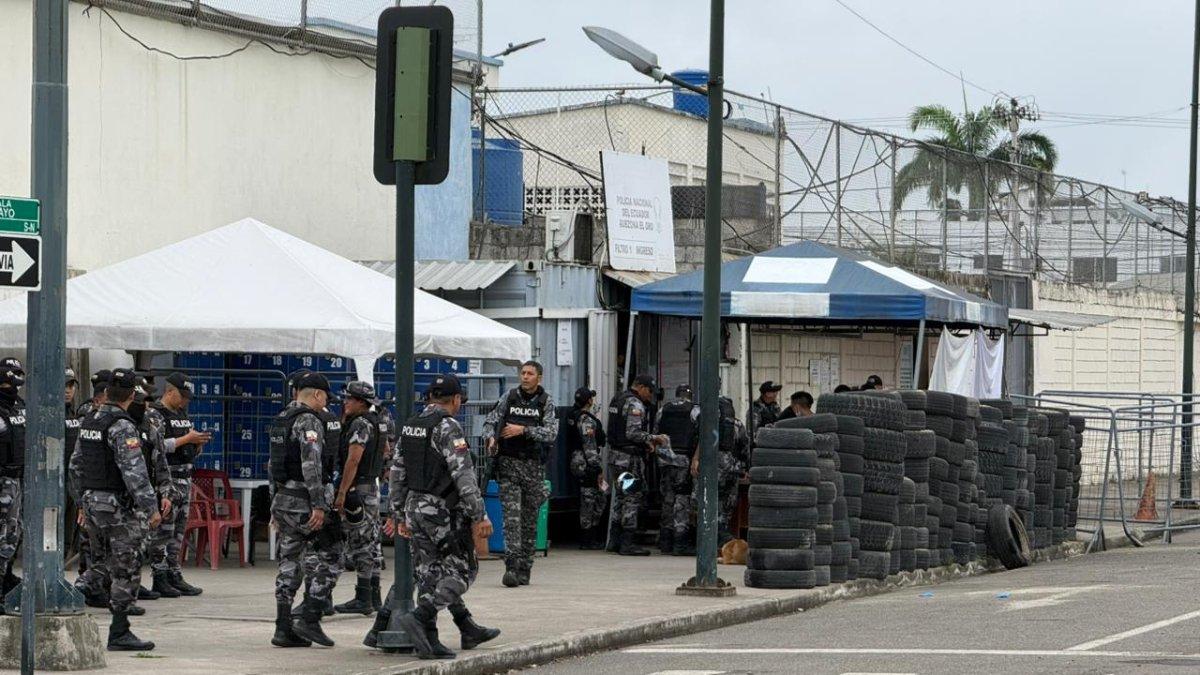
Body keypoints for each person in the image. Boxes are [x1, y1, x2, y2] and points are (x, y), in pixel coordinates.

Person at [380, 374, 499, 660]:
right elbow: (463, 474)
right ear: (455, 400)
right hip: (442, 510)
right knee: (462, 571)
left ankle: (430, 640)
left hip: (414, 507)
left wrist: (397, 513)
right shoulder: (448, 427)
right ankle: (421, 616)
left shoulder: (412, 426)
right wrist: (479, 514)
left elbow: (397, 473)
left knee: (428, 571)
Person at [69, 368, 163, 651]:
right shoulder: (122, 426)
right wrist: (151, 508)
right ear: (132, 395)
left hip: (92, 504)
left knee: (104, 560)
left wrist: (82, 501)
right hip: (116, 506)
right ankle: (119, 629)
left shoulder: (90, 420)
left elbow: (75, 465)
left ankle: (83, 587)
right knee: (126, 564)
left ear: (107, 391)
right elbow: (134, 472)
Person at [268, 372, 341, 648]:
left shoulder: (282, 419)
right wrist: (319, 504)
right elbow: (311, 464)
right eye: (325, 399)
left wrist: (274, 506)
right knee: (333, 554)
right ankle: (309, 616)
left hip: (284, 499)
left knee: (288, 561)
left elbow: (273, 465)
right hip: (304, 501)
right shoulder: (309, 420)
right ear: (318, 395)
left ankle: (283, 627)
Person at [482, 360, 556, 588]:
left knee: (529, 521)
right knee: (512, 520)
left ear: (539, 378)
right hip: (508, 465)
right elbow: (490, 422)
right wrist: (491, 437)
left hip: (533, 468)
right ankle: (511, 567)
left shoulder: (546, 402)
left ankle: (525, 568)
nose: (525, 377)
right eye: (522, 373)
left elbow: (551, 433)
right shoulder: (509, 398)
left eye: (530, 373)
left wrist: (523, 430)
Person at [148, 372, 210, 597]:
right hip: (168, 479)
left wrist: (196, 445)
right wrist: (186, 440)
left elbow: (183, 440)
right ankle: (160, 576)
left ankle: (174, 572)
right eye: (181, 396)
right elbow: (156, 446)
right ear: (169, 391)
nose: (185, 401)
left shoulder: (182, 413)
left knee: (178, 531)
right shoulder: (155, 414)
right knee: (163, 530)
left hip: (185, 475)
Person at [332, 381, 385, 616]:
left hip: (359, 489)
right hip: (371, 487)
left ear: (361, 403)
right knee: (372, 541)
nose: (345, 403)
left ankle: (364, 597)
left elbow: (353, 459)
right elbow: (386, 453)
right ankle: (374, 597)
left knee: (361, 542)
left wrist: (342, 492)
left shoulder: (360, 425)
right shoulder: (378, 422)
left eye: (349, 399)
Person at [606, 374, 668, 556]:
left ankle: (614, 541)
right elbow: (633, 433)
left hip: (616, 457)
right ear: (640, 387)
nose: (650, 395)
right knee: (632, 498)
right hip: (629, 460)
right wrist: (653, 438)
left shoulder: (618, 399)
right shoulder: (635, 404)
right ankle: (627, 542)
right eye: (649, 391)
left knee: (620, 497)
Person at [130, 379, 179, 602]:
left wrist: (165, 493)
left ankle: (137, 585)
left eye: (148, 401)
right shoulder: (120, 426)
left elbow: (160, 462)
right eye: (141, 401)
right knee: (127, 547)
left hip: (147, 494)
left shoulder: (148, 427)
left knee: (141, 544)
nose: (145, 406)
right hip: (125, 497)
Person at [690, 396, 749, 546]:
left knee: (705, 500)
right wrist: (744, 468)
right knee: (727, 502)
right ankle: (721, 535)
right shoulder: (737, 425)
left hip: (709, 466)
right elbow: (745, 448)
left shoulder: (708, 424)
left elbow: (700, 442)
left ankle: (706, 536)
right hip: (731, 467)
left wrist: (695, 460)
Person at [654, 384, 699, 555]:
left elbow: (656, 433)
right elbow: (701, 434)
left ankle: (665, 541)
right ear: (690, 395)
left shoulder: (663, 409)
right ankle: (680, 544)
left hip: (665, 460)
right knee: (682, 500)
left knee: (667, 499)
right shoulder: (694, 410)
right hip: (683, 459)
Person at [565, 387, 607, 550]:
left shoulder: (574, 415)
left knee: (595, 497)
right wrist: (596, 469)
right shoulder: (585, 420)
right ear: (589, 400)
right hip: (586, 463)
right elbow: (589, 445)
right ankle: (588, 539)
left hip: (579, 461)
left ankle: (590, 536)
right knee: (590, 499)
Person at [0, 358, 25, 599]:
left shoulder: (19, 406)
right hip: (2, 478)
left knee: (13, 534)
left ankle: (5, 578)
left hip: (16, 480)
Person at [64, 368, 84, 568]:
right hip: (54, 476)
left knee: (71, 520)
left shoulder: (73, 413)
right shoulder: (49, 412)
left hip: (72, 476)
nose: (68, 390)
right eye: (64, 386)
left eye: (71, 386)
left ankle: (67, 554)